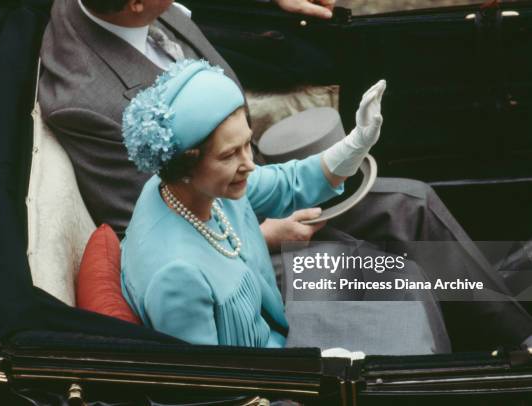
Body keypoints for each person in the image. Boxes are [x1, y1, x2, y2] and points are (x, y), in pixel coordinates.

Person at [119, 60, 532, 350]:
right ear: (185, 165)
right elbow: (214, 386)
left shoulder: (192, 189)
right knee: (409, 319)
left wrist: (355, 144)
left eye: (248, 143)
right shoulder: (177, 276)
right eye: (230, 156)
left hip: (287, 325)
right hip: (287, 374)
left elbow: (285, 181)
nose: (248, 163)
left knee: (403, 270)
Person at [39, 0, 336, 244]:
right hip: (229, 256)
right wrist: (263, 237)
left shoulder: (123, 11)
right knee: (365, 278)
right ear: (137, 4)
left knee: (380, 205)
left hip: (262, 175)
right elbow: (145, 227)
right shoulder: (87, 105)